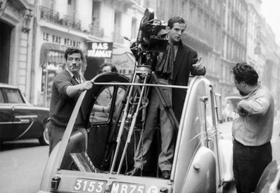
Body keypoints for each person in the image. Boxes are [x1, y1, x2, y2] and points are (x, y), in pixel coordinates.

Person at [128, 16, 206, 179]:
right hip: (153, 89)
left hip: (173, 92)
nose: (179, 33)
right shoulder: (156, 44)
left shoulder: (190, 53)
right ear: (169, 29)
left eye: (182, 31)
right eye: (176, 30)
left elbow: (197, 70)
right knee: (147, 128)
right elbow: (141, 57)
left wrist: (201, 69)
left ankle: (165, 166)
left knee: (168, 131)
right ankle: (138, 163)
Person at [231, 62, 274, 193]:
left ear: (243, 84)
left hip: (251, 152)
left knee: (249, 188)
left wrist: (242, 104)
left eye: (235, 82)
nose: (234, 84)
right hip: (245, 148)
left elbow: (261, 108)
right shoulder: (254, 92)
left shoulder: (263, 94)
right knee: (241, 185)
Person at [47, 48, 93, 154]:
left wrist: (105, 109)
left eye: (77, 59)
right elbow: (67, 90)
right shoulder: (62, 77)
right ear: (66, 61)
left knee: (75, 161)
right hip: (59, 127)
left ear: (82, 61)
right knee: (58, 161)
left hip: (75, 127)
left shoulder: (80, 78)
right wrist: (82, 86)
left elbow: (82, 102)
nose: (74, 62)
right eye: (70, 59)